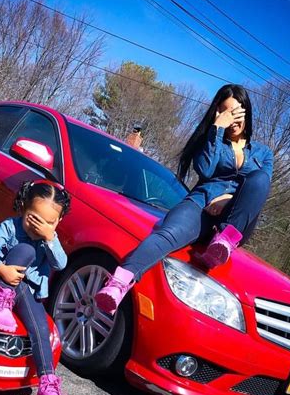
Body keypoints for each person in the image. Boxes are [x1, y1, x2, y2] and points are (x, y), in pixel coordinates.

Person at [95, 84, 273, 315]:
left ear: (247, 113)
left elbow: (260, 188)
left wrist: (228, 199)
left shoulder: (263, 153)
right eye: (228, 113)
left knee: (259, 179)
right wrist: (217, 129)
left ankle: (224, 243)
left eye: (238, 112)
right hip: (202, 204)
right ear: (219, 114)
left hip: (235, 218)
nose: (234, 120)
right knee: (166, 234)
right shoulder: (212, 137)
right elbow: (206, 170)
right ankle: (117, 285)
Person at [0, 179, 70, 395]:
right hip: (0, 281)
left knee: (41, 328)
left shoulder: (51, 238)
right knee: (26, 249)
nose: (38, 227)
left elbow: (60, 263)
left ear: (58, 222)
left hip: (27, 293)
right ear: (22, 208)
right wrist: (2, 269)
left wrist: (50, 238)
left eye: (48, 222)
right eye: (33, 218)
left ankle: (47, 387)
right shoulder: (10, 227)